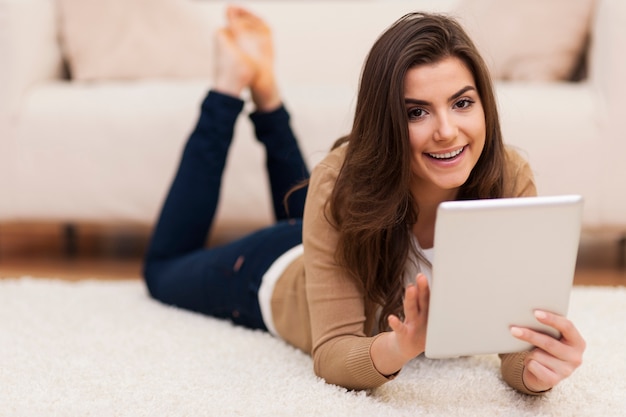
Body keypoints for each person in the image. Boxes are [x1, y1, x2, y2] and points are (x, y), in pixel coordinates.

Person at [143, 6, 585, 394]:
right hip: (269, 271)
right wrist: (401, 346)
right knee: (162, 271)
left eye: (462, 103)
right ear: (387, 120)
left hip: (339, 228)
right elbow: (332, 351)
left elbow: (516, 343)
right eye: (417, 111)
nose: (447, 130)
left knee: (313, 198)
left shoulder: (508, 177)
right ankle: (229, 87)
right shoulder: (340, 185)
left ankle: (266, 90)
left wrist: (537, 369)